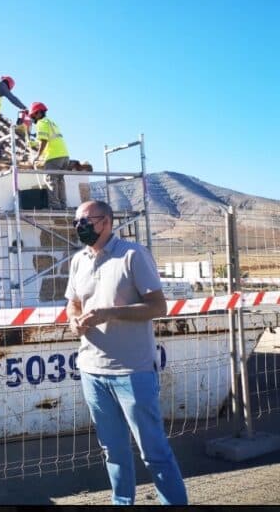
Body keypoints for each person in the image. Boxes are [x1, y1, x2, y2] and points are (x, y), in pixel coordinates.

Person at [65, 200, 188, 505]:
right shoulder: (78, 260)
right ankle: (122, 502)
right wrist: (72, 321)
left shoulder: (133, 255)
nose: (79, 227)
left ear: (105, 221)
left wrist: (110, 313)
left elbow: (158, 306)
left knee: (154, 452)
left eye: (85, 221)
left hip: (132, 373)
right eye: (76, 221)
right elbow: (73, 303)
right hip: (92, 371)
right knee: (113, 451)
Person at [27, 102, 70, 210]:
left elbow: (44, 141)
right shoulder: (51, 122)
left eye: (33, 116)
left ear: (38, 113)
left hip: (53, 156)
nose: (33, 118)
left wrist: (38, 156)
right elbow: (46, 139)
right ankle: (63, 205)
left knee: (51, 180)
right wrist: (32, 143)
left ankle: (55, 207)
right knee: (59, 181)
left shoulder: (41, 123)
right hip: (64, 156)